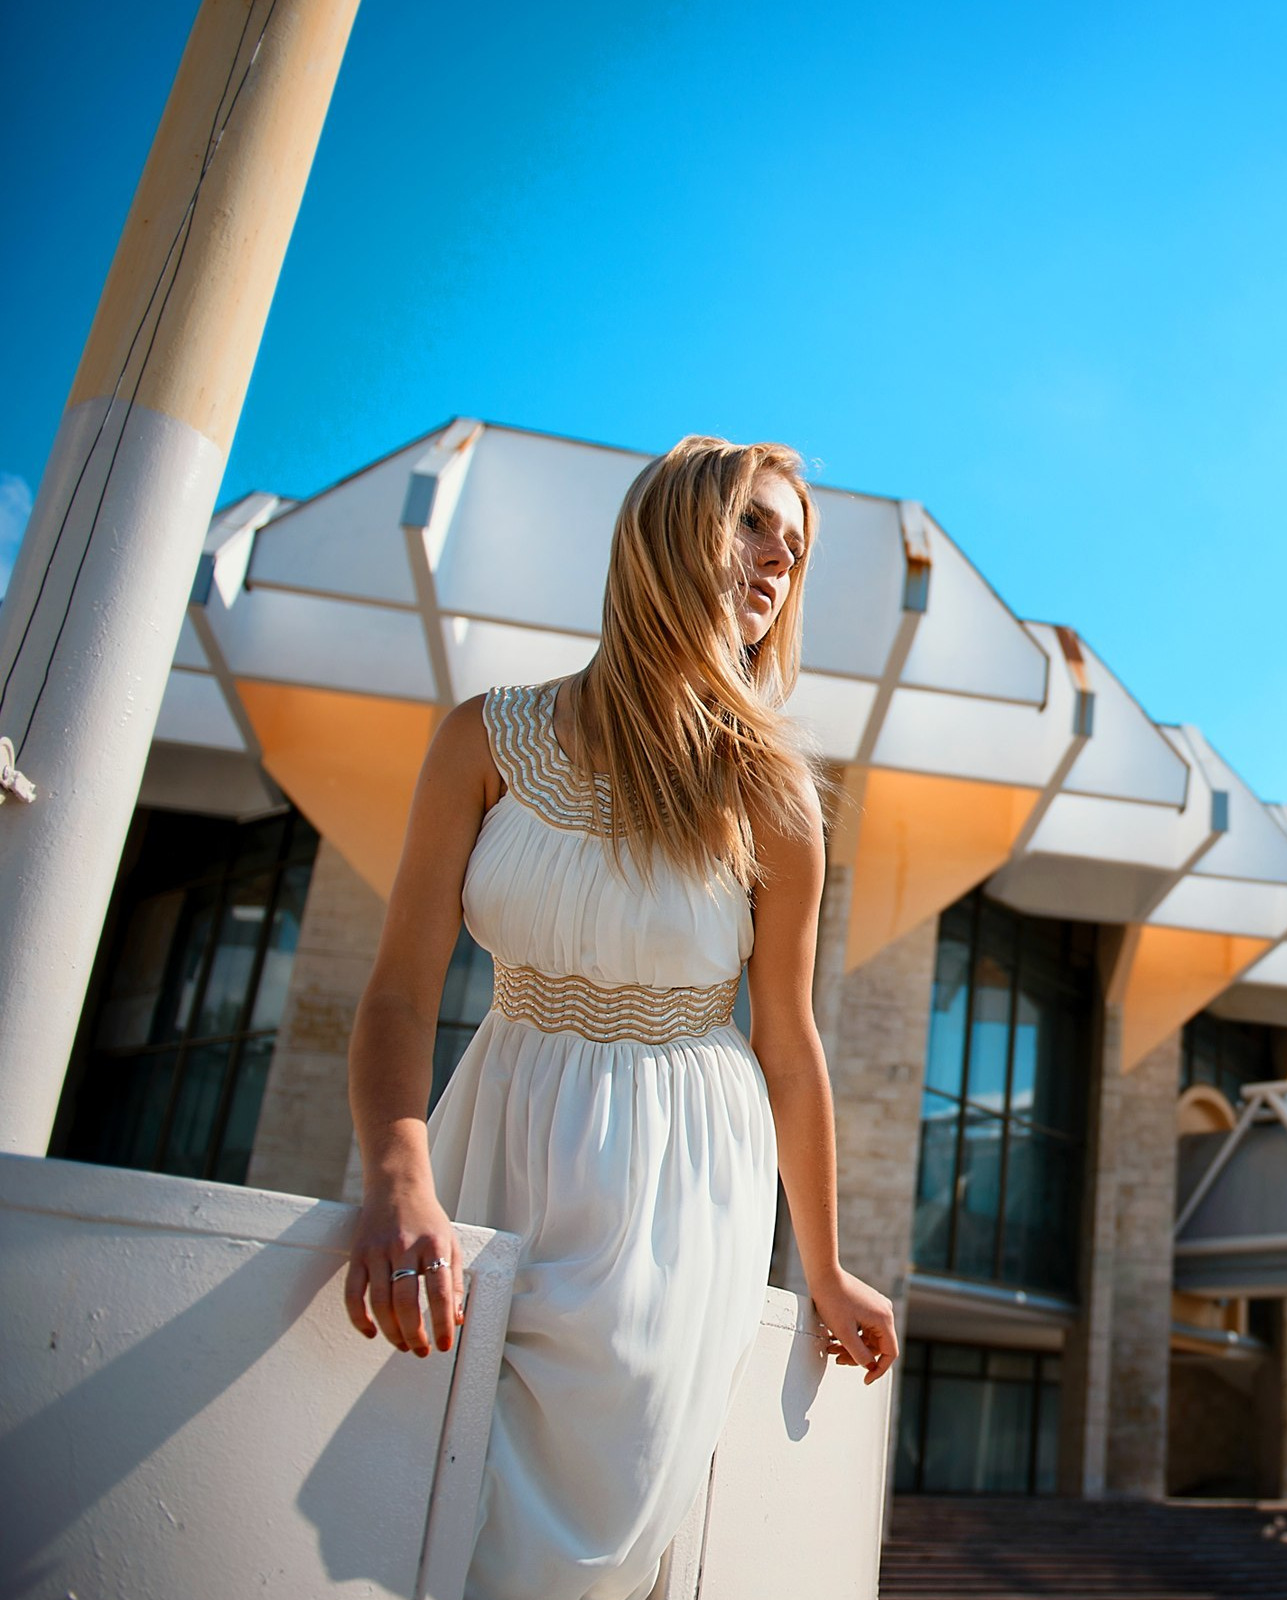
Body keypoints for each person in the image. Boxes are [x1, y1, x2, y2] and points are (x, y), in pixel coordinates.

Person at [339, 435, 898, 1600]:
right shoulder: (482, 740)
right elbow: (398, 987)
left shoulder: (774, 796)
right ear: (670, 528)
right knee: (412, 1503)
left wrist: (828, 1267)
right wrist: (399, 1175)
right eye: (754, 525)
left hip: (679, 1173)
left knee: (575, 1538)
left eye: (792, 552)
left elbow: (787, 1044)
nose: (773, 564)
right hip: (495, 1119)